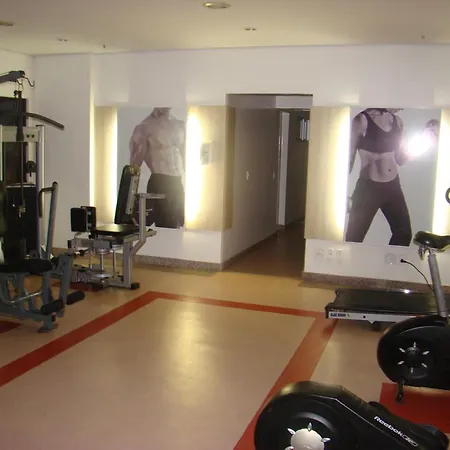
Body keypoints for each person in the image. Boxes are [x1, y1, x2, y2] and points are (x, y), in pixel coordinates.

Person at [346, 108, 412, 246]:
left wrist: (417, 147)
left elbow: (400, 159)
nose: (401, 108)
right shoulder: (362, 120)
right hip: (368, 188)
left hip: (393, 186)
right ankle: (350, 261)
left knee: (404, 233)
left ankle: (390, 260)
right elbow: (349, 155)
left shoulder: (398, 122)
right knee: (354, 237)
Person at [129, 107, 185, 228]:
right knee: (167, 228)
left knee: (182, 225)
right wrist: (129, 203)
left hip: (177, 183)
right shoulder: (144, 128)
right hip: (160, 182)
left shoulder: (180, 125)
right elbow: (134, 167)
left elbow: (187, 157)